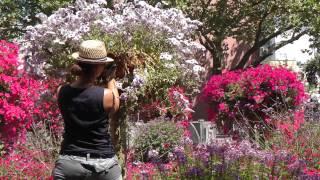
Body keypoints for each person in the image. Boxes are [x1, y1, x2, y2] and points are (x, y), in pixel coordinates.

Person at [52, 40, 121, 180]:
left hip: (68, 163)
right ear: (98, 67)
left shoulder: (61, 91)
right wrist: (110, 78)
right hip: (103, 165)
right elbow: (115, 106)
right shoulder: (106, 95)